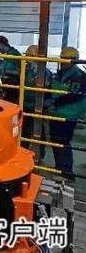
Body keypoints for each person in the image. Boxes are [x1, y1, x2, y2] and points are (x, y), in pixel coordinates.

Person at [49, 46, 86, 179]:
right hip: (57, 112)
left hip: (68, 114)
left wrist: (54, 102)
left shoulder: (79, 76)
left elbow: (73, 96)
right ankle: (60, 168)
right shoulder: (62, 73)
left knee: (62, 141)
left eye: (66, 59)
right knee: (56, 141)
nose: (63, 61)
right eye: (62, 58)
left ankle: (66, 172)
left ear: (74, 60)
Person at [21, 45, 52, 155]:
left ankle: (34, 152)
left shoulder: (41, 71)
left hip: (36, 105)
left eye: (29, 56)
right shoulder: (29, 69)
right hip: (29, 104)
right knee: (29, 129)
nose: (27, 59)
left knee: (31, 130)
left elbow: (45, 86)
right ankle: (26, 151)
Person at [0, 35, 22, 102]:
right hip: (15, 83)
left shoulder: (12, 55)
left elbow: (8, 72)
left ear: (1, 44)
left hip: (14, 85)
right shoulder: (12, 52)